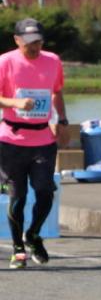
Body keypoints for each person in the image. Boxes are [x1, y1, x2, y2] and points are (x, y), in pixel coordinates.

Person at [0, 18, 67, 269]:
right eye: (29, 42)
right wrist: (15, 103)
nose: (34, 46)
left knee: (45, 192)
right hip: (11, 139)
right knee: (17, 196)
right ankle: (18, 248)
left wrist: (62, 120)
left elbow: (57, 92)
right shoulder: (5, 62)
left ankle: (34, 234)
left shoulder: (53, 61)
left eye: (38, 41)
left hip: (43, 139)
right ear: (17, 41)